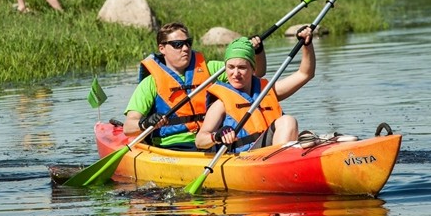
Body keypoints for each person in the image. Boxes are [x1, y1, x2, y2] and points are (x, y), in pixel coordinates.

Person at [123, 22, 266, 150]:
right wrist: (146, 122)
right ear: (162, 48)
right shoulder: (150, 83)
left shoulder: (210, 69)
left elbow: (257, 74)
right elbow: (128, 127)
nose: (185, 48)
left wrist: (257, 52)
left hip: (213, 141)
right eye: (178, 44)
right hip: (174, 146)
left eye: (188, 43)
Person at [195, 27, 315, 152]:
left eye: (242, 67)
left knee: (297, 128)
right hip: (244, 159)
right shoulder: (220, 104)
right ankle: (282, 162)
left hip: (269, 153)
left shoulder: (267, 91)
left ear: (253, 69)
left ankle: (284, 160)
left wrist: (307, 45)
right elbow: (199, 141)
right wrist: (217, 136)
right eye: (231, 67)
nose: (235, 73)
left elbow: (305, 74)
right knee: (287, 121)